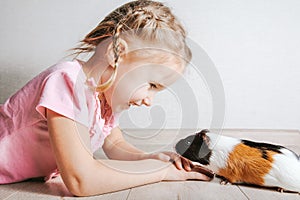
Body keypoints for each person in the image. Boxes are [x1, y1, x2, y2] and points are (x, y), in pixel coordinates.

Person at [0, 0, 211, 196]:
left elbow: (115, 144)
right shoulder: (68, 83)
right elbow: (80, 180)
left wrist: (152, 157)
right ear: (116, 53)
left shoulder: (105, 101)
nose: (149, 100)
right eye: (151, 85)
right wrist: (160, 173)